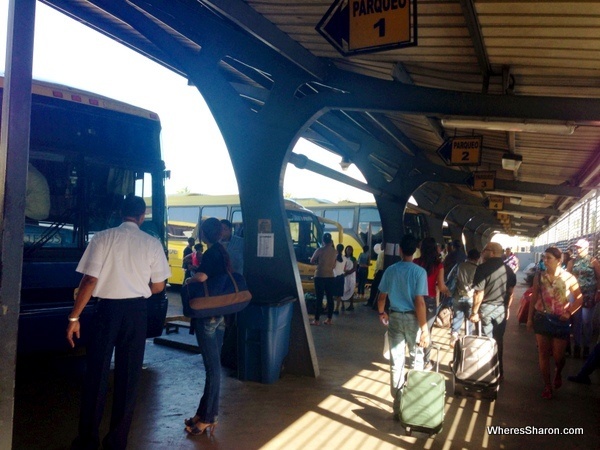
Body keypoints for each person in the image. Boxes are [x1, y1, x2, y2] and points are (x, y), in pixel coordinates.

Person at [67, 194, 171, 450]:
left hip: (106, 312)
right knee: (128, 376)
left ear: (121, 213)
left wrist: (74, 317)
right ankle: (116, 442)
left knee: (97, 373)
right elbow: (158, 286)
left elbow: (89, 281)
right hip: (137, 313)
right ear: (142, 216)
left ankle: (87, 441)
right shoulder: (151, 243)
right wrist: (137, 285)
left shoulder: (102, 238)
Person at [184, 217, 232, 436]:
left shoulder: (211, 254)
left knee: (212, 370)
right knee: (213, 369)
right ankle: (202, 413)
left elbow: (202, 276)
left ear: (204, 234)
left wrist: (189, 280)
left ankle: (209, 417)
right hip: (221, 314)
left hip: (208, 316)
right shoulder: (222, 252)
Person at [377, 234, 429, 419]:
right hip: (414, 320)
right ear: (414, 251)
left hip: (396, 318)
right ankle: (413, 405)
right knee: (417, 360)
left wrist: (382, 313)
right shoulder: (419, 272)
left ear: (400, 250)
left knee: (396, 362)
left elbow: (382, 296)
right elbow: (419, 302)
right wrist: (425, 329)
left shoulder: (390, 270)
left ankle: (397, 406)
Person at [526, 246, 583, 399]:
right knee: (543, 353)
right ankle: (547, 385)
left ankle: (558, 371)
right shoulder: (539, 277)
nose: (545, 260)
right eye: (544, 257)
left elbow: (579, 298)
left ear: (559, 261)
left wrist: (569, 312)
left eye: (548, 258)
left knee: (559, 356)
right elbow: (533, 298)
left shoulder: (569, 278)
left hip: (560, 320)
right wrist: (530, 318)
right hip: (542, 318)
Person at [470, 242, 516, 381]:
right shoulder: (508, 269)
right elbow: (511, 292)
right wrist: (506, 307)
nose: (482, 252)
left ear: (492, 252)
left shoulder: (483, 268)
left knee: (486, 340)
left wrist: (474, 312)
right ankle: (499, 371)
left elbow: (479, 293)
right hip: (501, 308)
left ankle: (486, 373)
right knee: (498, 341)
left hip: (486, 309)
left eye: (485, 250)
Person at [567, 238, 600, 359]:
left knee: (587, 322)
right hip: (575, 295)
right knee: (576, 321)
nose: (578, 249)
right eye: (577, 247)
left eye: (580, 247)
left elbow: (599, 277)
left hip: (589, 295)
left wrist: (598, 291)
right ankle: (577, 345)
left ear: (586, 248)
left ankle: (586, 346)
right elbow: (567, 276)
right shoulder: (572, 262)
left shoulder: (593, 261)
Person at [450, 249, 480, 347]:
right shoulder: (478, 268)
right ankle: (468, 341)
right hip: (471, 298)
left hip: (458, 296)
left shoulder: (460, 266)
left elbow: (452, 278)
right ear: (477, 258)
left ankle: (454, 337)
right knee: (470, 321)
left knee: (457, 318)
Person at [310, 233, 337, 325]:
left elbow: (312, 260)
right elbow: (334, 265)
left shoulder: (319, 250)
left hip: (320, 275)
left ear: (323, 241)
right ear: (331, 241)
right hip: (330, 276)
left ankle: (316, 320)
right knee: (330, 298)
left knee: (319, 298)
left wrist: (318, 262)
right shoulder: (335, 251)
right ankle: (329, 319)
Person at [365, 242, 385, 308]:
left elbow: (379, 264)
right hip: (382, 272)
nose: (380, 246)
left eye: (381, 245)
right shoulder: (385, 253)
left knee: (374, 287)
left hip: (379, 272)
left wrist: (376, 272)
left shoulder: (381, 253)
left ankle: (371, 302)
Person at [339, 245, 357, 312]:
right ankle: (342, 304)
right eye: (347, 249)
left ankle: (351, 305)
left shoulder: (353, 259)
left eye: (350, 249)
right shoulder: (343, 258)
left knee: (350, 289)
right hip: (344, 275)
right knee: (343, 289)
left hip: (351, 276)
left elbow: (354, 268)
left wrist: (348, 272)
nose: (348, 251)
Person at [332, 243, 348, 316]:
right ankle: (336, 309)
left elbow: (332, 266)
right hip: (341, 277)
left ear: (336, 249)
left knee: (332, 293)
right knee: (339, 294)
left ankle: (330, 307)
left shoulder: (334, 257)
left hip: (334, 276)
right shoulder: (345, 258)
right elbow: (344, 269)